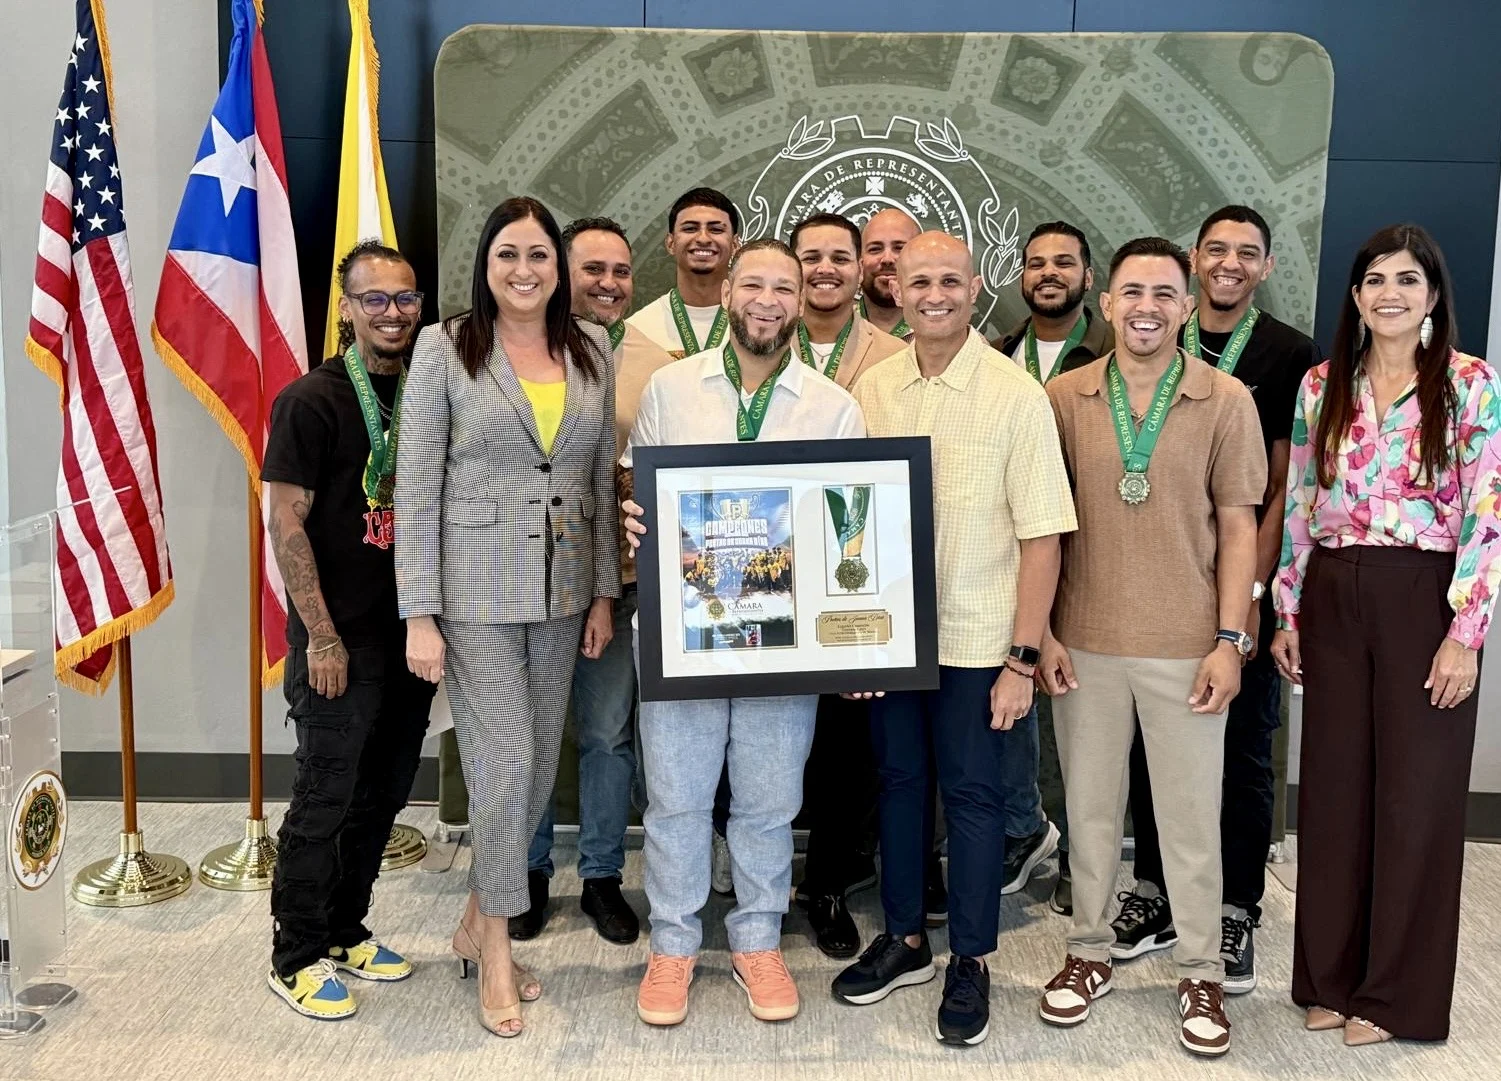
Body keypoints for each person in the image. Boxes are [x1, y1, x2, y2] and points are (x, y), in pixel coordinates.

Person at [832, 231, 1077, 1047]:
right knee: (900, 786)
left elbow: (1043, 537)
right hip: (894, 637)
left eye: (948, 280)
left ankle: (970, 957)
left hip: (979, 642)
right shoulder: (872, 390)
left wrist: (1021, 659)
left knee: (972, 800)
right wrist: (856, 642)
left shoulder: (1015, 395)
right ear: (894, 291)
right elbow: (845, 514)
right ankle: (905, 940)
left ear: (974, 290)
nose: (932, 294)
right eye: (917, 281)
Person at [620, 239, 866, 1028]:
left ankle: (757, 938)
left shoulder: (832, 405)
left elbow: (847, 530)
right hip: (681, 632)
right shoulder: (669, 388)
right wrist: (634, 519)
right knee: (676, 799)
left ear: (801, 301)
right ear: (726, 292)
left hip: (783, 640)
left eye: (782, 288)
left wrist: (854, 641)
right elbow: (640, 491)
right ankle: (673, 943)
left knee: (768, 800)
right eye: (752, 283)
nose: (767, 300)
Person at [395, 196, 620, 1038]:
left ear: (558, 268)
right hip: (473, 595)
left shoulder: (590, 345)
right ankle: (493, 946)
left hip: (563, 594)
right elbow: (416, 487)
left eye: (538, 255)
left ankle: (471, 919)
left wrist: (603, 591)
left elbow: (597, 479)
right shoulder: (445, 346)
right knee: (506, 762)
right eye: (507, 255)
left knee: (529, 773)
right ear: (485, 265)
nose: (523, 271)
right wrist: (419, 612)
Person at [1271, 223, 1501, 1045]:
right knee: (1332, 794)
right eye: (1374, 279)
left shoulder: (1468, 384)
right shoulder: (1322, 384)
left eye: (1406, 279)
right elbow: (1300, 499)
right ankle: (1328, 979)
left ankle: (1394, 996)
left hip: (1423, 599)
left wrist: (1464, 633)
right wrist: (1287, 608)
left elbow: (1488, 513)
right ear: (1355, 295)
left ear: (1432, 294)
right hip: (1334, 592)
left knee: (1413, 798)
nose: (1389, 293)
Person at [1036, 237, 1264, 1058]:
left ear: (1186, 304)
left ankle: (1199, 969)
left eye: (1164, 293)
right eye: (1131, 291)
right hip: (1084, 643)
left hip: (1186, 647)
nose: (1146, 307)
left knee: (1189, 820)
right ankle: (1088, 950)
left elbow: (1238, 527)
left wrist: (1230, 640)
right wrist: (1042, 632)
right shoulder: (1063, 396)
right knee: (1090, 813)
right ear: (1105, 302)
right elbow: (1040, 524)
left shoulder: (1224, 397)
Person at [1115, 206, 1320, 993]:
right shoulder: (1149, 339)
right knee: (1149, 742)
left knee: (1240, 751)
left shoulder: (1288, 353)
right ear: (1193, 260)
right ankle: (1155, 891)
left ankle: (1236, 906)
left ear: (1266, 266)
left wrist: (1251, 597)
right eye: (1215, 249)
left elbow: (1279, 487)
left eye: (1246, 252)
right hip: (1156, 591)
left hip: (1239, 593)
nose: (1229, 262)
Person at [262, 240, 435, 1019]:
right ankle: (295, 953)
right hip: (340, 639)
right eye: (375, 298)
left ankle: (345, 928)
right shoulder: (310, 400)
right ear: (346, 307)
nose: (392, 312)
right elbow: (286, 521)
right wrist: (321, 637)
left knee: (382, 794)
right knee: (323, 798)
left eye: (404, 298)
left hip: (409, 634)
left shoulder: (427, 393)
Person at [507, 217, 677, 944]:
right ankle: (528, 871)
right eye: (592, 269)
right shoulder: (514, 349)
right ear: (558, 274)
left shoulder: (659, 362)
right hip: (527, 582)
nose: (608, 283)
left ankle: (603, 876)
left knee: (608, 735)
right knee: (530, 733)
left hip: (621, 581)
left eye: (620, 271)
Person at [786, 211, 906, 958]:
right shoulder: (756, 343)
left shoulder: (896, 357)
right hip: (767, 571)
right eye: (811, 257)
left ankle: (827, 883)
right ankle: (758, 876)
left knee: (847, 739)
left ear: (860, 269)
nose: (825, 268)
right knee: (764, 737)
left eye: (840, 256)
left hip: (855, 570)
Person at [994, 220, 1115, 916]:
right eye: (1036, 263)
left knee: (1084, 718)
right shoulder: (997, 353)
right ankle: (1026, 828)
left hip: (1095, 558)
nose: (1048, 274)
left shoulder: (1116, 351)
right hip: (1016, 556)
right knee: (1011, 702)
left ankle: (1081, 859)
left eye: (1063, 263)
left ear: (1088, 277)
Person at [627, 186, 740, 359]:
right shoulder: (638, 330)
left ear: (735, 244)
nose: (703, 238)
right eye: (690, 229)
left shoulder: (758, 322)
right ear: (670, 243)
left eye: (716, 229)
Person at [858, 208, 921, 339]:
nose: (887, 259)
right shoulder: (834, 329)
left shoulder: (950, 335)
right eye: (875, 249)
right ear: (859, 261)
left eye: (899, 248)